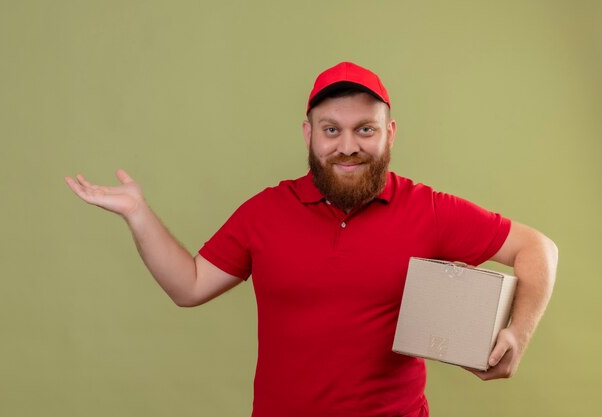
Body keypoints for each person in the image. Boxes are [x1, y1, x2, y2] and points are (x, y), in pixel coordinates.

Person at [65, 62, 558, 417]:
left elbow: (538, 249)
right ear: (309, 135)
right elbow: (189, 286)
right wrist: (138, 213)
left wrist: (518, 333)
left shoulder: (426, 209)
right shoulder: (265, 211)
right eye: (331, 130)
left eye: (365, 129)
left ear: (390, 134)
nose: (348, 146)